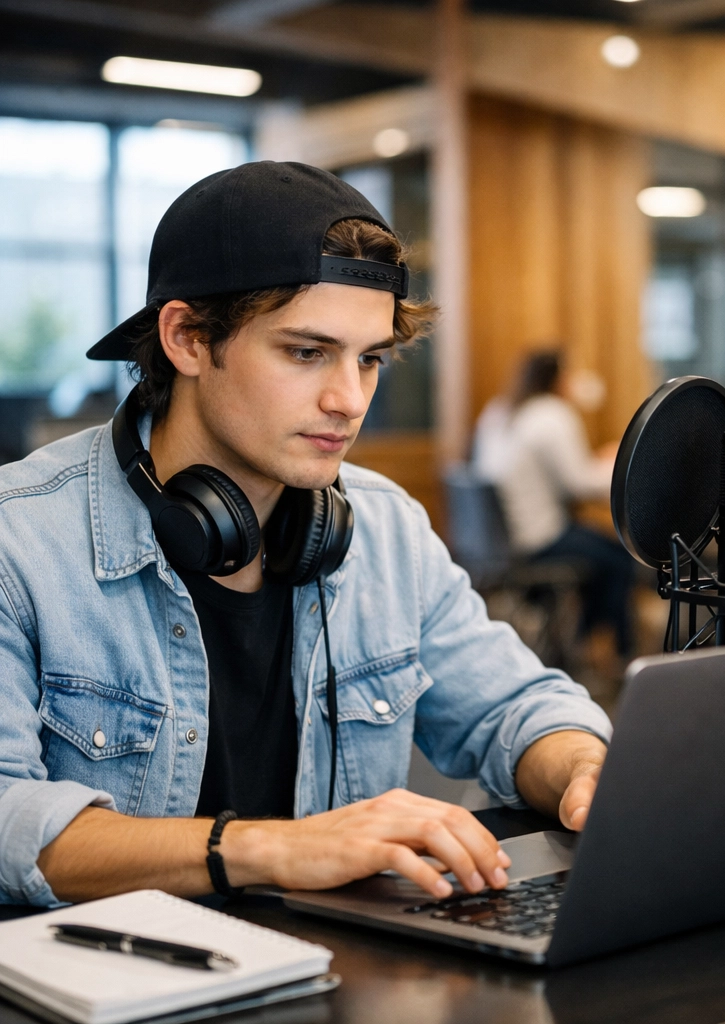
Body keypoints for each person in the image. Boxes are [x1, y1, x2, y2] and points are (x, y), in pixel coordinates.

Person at [0, 162, 611, 907]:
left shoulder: (385, 527)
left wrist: (582, 768)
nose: (349, 400)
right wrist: (271, 849)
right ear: (187, 338)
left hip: (334, 962)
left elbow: (511, 708)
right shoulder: (19, 539)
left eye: (370, 359)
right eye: (305, 352)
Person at [487, 350, 634, 658]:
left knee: (600, 548)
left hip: (497, 544)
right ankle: (606, 650)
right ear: (558, 378)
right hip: (539, 540)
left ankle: (580, 644)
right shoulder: (553, 415)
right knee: (621, 558)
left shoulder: (499, 412)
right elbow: (578, 483)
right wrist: (618, 465)